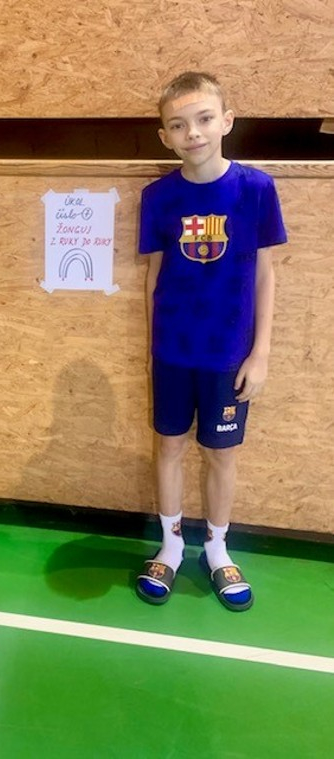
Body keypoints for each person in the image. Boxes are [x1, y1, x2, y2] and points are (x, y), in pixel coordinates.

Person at [136, 72, 287, 610]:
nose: (193, 133)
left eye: (203, 119)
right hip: (173, 352)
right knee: (169, 447)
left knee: (222, 454)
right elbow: (153, 277)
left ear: (226, 121)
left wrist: (260, 352)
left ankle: (218, 548)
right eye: (178, 125)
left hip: (228, 355)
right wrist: (152, 352)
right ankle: (172, 545)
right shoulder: (158, 197)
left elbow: (265, 274)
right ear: (165, 136)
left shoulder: (256, 189)